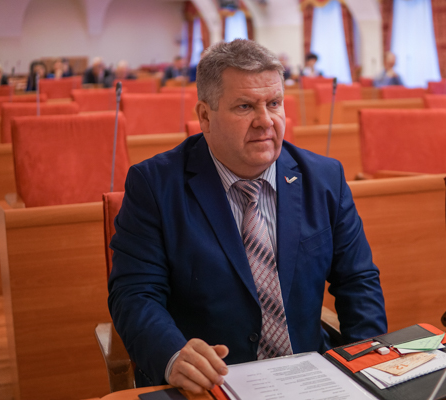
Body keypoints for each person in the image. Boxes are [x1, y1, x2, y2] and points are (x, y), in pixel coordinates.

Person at [108, 39, 386, 393]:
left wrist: (365, 372)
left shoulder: (324, 178)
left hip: (308, 379)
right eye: (245, 106)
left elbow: (358, 282)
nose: (265, 121)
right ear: (205, 117)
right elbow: (134, 293)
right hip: (209, 385)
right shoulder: (154, 186)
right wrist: (173, 355)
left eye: (274, 103)